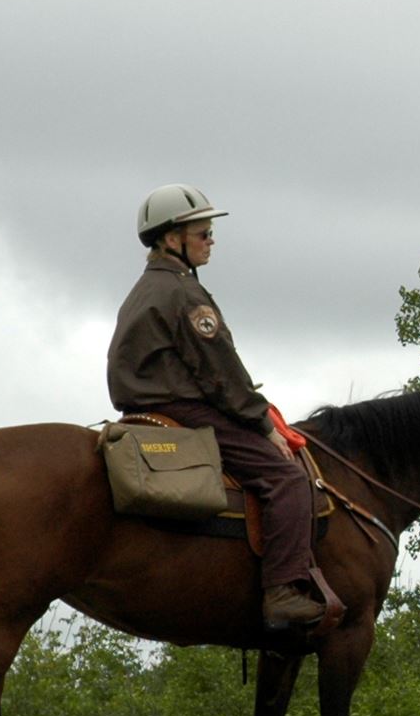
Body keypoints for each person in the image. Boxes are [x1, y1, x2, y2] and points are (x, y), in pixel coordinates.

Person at [107, 184, 329, 636]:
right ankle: (283, 591)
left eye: (210, 232)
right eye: (203, 233)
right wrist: (263, 423)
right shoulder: (185, 294)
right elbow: (220, 372)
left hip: (144, 404)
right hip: (184, 407)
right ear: (172, 239)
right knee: (287, 479)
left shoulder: (146, 288)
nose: (211, 240)